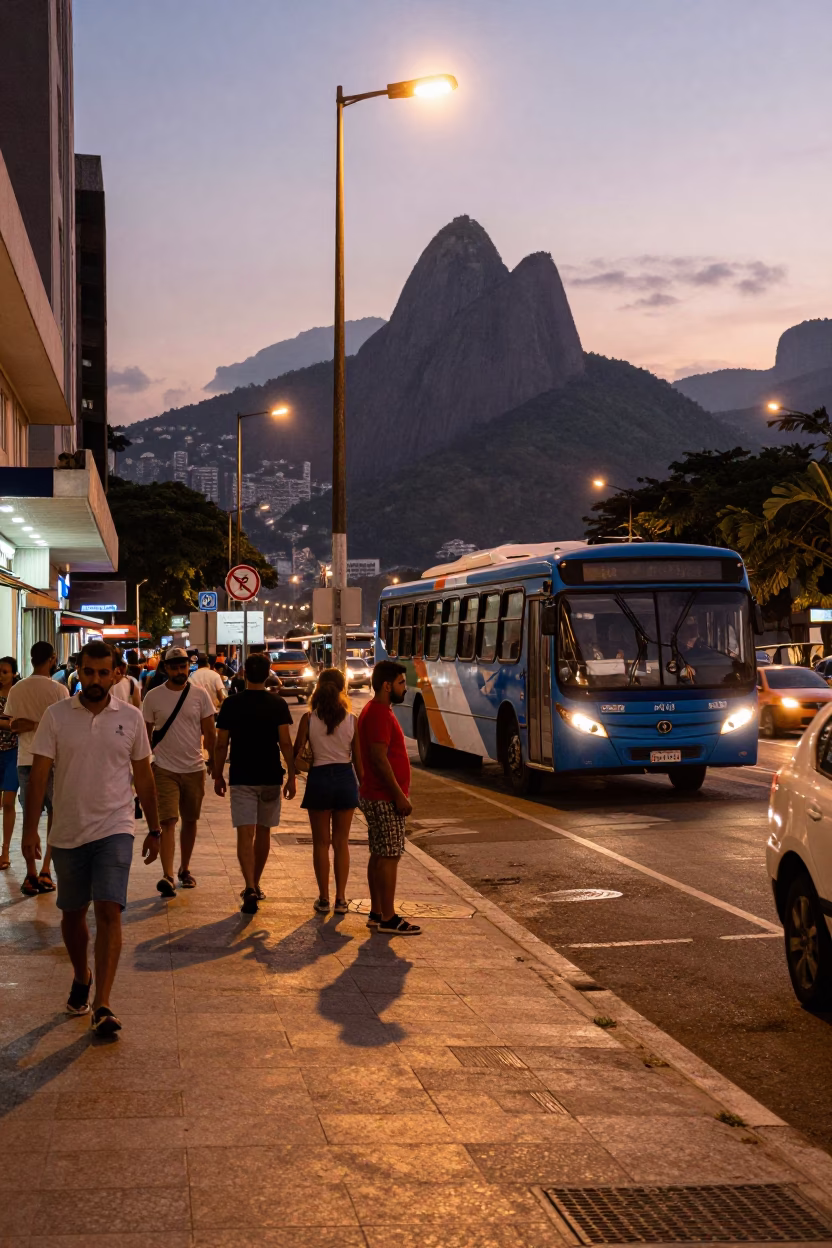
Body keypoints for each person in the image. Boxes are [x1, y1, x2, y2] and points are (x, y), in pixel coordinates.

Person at [21, 640, 162, 1036]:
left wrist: (154, 827)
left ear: (116, 673)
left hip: (115, 827)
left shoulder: (131, 718)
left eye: (103, 673)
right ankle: (81, 974)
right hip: (68, 830)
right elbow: (40, 776)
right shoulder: (56, 715)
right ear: (78, 672)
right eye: (88, 672)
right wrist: (30, 829)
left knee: (109, 910)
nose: (95, 680)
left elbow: (145, 778)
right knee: (72, 914)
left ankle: (103, 1002)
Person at [213, 651, 296, 914]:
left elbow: (221, 743)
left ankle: (249, 884)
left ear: (245, 674)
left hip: (242, 777)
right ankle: (256, 883)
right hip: (271, 775)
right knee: (264, 832)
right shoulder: (278, 705)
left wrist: (217, 773)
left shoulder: (231, 704)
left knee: (244, 833)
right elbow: (285, 742)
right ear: (268, 674)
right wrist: (292, 774)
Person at [142, 645, 215, 896]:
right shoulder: (152, 697)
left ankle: (185, 869)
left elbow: (210, 731)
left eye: (183, 666)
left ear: (188, 666)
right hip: (164, 768)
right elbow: (145, 734)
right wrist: (145, 764)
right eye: (174, 667)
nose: (179, 671)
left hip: (194, 768)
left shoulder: (200, 695)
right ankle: (168, 875)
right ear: (165, 669)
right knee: (168, 821)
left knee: (190, 820)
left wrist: (213, 762)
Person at [357, 660, 420, 936]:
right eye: (401, 683)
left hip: (376, 794)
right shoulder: (380, 713)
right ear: (387, 685)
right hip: (384, 797)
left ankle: (376, 911)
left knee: (379, 853)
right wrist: (399, 796)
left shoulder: (374, 710)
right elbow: (379, 759)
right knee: (390, 855)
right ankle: (388, 916)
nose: (405, 689)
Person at [294, 668, 362, 915]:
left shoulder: (308, 719)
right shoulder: (352, 720)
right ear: (342, 689)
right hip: (345, 779)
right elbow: (358, 762)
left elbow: (296, 755)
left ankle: (323, 898)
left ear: (318, 688)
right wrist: (362, 789)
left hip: (319, 779)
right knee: (341, 842)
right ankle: (341, 899)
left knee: (321, 843)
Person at [6, 641, 69, 895]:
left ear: (31, 659)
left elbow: (12, 725)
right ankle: (46, 871)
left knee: (29, 821)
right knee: (55, 815)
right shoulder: (59, 690)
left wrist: (30, 724)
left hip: (25, 759)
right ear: (52, 659)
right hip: (53, 760)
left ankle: (30, 873)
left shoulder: (17, 689)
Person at [0, 656, 19, 870]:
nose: (1, 675)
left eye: (5, 671)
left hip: (14, 752)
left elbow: (18, 724)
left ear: (13, 673)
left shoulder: (18, 694)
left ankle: (5, 851)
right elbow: (13, 723)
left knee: (8, 802)